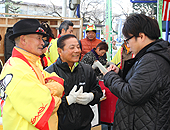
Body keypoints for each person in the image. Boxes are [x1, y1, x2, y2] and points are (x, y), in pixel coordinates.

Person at [103, 13, 170, 130]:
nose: (127, 45)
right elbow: (142, 83)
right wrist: (119, 73)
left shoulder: (152, 60)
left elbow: (132, 93)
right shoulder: (152, 56)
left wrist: (109, 77)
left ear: (141, 36)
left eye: (127, 40)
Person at [0, 19, 64, 130]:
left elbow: (57, 79)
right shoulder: (19, 69)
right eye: (38, 38)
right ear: (23, 39)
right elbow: (49, 104)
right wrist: (57, 94)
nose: (42, 43)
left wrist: (47, 89)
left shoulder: (29, 62)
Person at [45, 34, 103, 130]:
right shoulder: (50, 73)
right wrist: (67, 101)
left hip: (85, 126)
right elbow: (46, 104)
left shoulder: (87, 70)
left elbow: (98, 92)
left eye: (78, 47)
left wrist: (91, 96)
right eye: (72, 48)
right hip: (59, 127)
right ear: (60, 51)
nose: (77, 51)